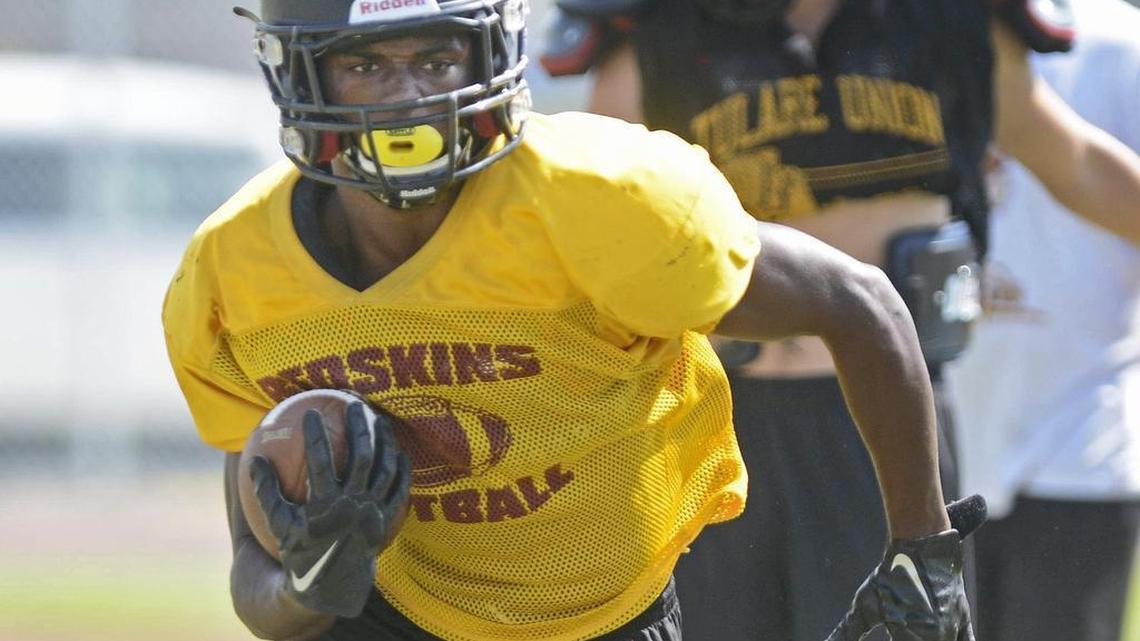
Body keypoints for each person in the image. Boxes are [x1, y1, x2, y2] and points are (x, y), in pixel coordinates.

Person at [161, 1, 983, 641]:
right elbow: (256, 590)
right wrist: (310, 582)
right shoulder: (239, 273)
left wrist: (923, 553)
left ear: (489, 54)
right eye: (366, 64)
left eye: (436, 57)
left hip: (606, 612)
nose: (406, 96)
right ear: (301, 74)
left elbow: (862, 304)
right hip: (391, 611)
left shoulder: (601, 203)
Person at [540, 0, 1140, 639]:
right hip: (705, 420)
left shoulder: (952, 24)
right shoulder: (657, 31)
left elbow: (1074, 161)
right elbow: (572, 222)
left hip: (888, 429)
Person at [945, 0, 1140, 638]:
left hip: (1078, 438)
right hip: (924, 448)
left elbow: (1084, 170)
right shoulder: (889, 29)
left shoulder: (1121, 44)